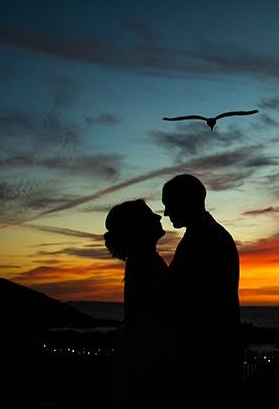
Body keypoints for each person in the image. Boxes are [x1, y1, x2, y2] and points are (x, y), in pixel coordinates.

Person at [162, 174, 241, 404]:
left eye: (169, 204)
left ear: (186, 201)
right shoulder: (204, 235)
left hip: (206, 358)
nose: (166, 213)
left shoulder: (207, 239)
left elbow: (195, 301)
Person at [103, 199, 171, 407]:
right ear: (139, 226)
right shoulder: (145, 263)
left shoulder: (142, 261)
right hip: (147, 368)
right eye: (151, 215)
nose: (159, 217)